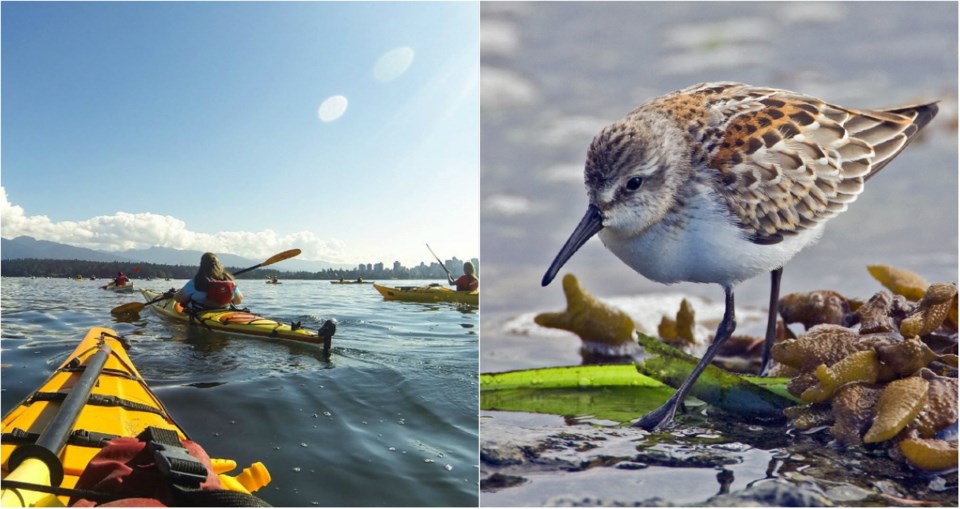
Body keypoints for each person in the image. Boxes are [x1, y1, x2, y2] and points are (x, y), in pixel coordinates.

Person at [175, 252, 243, 309]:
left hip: (200, 313)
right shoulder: (228, 281)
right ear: (218, 265)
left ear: (202, 265)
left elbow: (179, 299)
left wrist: (175, 294)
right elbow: (238, 301)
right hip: (224, 312)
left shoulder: (196, 282)